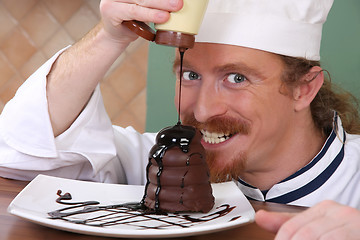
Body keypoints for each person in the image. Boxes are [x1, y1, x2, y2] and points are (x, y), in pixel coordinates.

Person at [0, 0, 359, 238]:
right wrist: (108, 37)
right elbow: (20, 158)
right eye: (190, 75)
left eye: (237, 78)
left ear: (303, 89)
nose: (201, 112)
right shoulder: (157, 163)